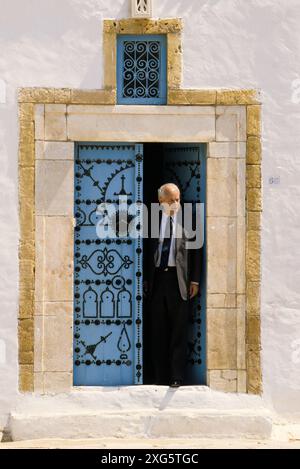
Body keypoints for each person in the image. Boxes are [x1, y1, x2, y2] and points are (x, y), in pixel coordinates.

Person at [144, 183, 201, 388]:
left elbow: (196, 251)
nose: (176, 203)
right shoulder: (151, 220)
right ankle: (159, 376)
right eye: (171, 200)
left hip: (179, 282)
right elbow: (144, 251)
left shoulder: (189, 220)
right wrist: (144, 278)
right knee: (157, 330)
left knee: (179, 330)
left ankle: (177, 376)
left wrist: (194, 280)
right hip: (158, 280)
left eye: (178, 199)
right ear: (161, 201)